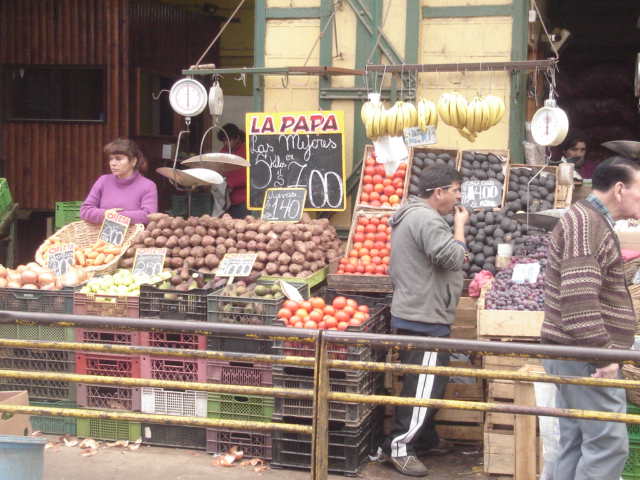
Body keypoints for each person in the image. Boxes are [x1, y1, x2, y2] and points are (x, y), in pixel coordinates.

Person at [541, 156, 640, 480]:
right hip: (585, 356)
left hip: (572, 353)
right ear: (620, 189)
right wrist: (604, 355)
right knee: (608, 444)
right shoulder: (586, 224)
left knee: (576, 440)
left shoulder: (587, 220)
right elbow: (579, 300)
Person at [379, 165, 469, 477]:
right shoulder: (427, 219)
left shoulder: (414, 215)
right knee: (422, 388)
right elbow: (452, 258)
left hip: (419, 311)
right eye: (455, 190)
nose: (458, 197)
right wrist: (459, 227)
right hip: (424, 316)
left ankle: (425, 437)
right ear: (439, 192)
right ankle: (400, 447)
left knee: (428, 383)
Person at [80, 138, 158, 225]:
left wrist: (114, 216)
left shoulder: (148, 186)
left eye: (118, 159)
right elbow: (85, 210)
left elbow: (148, 215)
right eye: (111, 159)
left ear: (133, 161)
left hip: (136, 237)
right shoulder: (103, 180)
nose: (113, 163)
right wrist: (106, 214)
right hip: (102, 236)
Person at [218, 123, 248, 218]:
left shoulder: (247, 151)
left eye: (228, 140)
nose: (226, 143)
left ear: (237, 138)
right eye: (224, 141)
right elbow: (218, 169)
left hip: (243, 200)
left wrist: (230, 183)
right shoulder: (223, 151)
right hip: (225, 200)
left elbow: (249, 176)